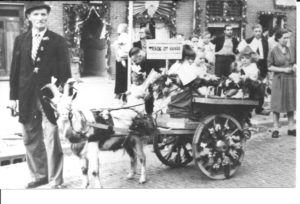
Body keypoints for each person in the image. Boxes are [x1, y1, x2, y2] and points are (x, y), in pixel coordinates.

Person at [9, 2, 71, 188]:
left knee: (52, 136)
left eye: (43, 14)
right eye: (36, 14)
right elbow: (15, 70)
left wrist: (62, 97)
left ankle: (55, 179)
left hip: (49, 97)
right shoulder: (21, 40)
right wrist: (13, 98)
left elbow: (65, 73)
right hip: (26, 96)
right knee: (29, 137)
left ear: (47, 16)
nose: (40, 18)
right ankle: (39, 175)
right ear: (29, 17)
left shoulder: (57, 41)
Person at [268, 29, 296, 138]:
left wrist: (293, 67)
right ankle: (275, 128)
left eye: (288, 37)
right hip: (279, 79)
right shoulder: (273, 51)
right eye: (284, 38)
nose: (286, 40)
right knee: (277, 104)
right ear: (278, 38)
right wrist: (283, 70)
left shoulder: (291, 49)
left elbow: (293, 62)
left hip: (290, 79)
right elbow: (269, 66)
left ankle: (291, 127)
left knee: (290, 102)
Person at [243, 24, 270, 115]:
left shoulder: (265, 41)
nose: (258, 33)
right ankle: (248, 109)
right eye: (256, 31)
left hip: (262, 65)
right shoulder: (248, 41)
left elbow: (266, 55)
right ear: (253, 32)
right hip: (252, 65)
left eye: (259, 31)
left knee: (261, 87)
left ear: (262, 31)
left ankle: (259, 108)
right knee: (251, 86)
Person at [166, 44, 197, 118]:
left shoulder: (177, 65)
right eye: (188, 58)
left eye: (191, 58)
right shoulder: (182, 66)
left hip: (175, 92)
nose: (190, 60)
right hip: (178, 95)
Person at [114, 23, 130, 100]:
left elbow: (118, 45)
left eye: (119, 28)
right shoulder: (123, 36)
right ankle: (120, 93)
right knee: (121, 76)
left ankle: (120, 93)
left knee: (121, 76)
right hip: (121, 57)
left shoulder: (124, 36)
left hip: (123, 58)